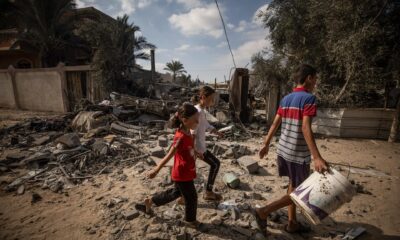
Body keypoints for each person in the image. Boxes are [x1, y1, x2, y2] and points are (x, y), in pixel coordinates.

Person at [253, 64, 329, 235]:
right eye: (315, 78)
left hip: (283, 151)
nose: (316, 81)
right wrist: (317, 157)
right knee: (300, 193)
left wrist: (266, 144)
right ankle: (264, 211)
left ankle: (292, 223)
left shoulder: (286, 99)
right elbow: (305, 128)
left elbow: (275, 122)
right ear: (309, 78)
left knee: (293, 186)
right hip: (297, 154)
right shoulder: (309, 99)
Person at [135, 103, 202, 227]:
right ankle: (190, 221)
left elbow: (189, 147)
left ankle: (150, 202)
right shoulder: (180, 137)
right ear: (185, 120)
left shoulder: (188, 131)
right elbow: (169, 155)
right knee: (192, 197)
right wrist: (156, 170)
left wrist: (196, 152)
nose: (197, 121)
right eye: (195, 119)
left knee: (175, 193)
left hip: (186, 170)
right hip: (182, 173)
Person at [189, 86, 223, 201]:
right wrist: (194, 151)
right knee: (215, 164)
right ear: (203, 97)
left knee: (188, 173)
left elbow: (206, 125)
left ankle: (182, 195)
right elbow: (192, 133)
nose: (212, 101)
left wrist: (215, 131)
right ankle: (208, 192)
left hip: (198, 148)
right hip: (197, 149)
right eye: (211, 99)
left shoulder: (201, 110)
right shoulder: (197, 112)